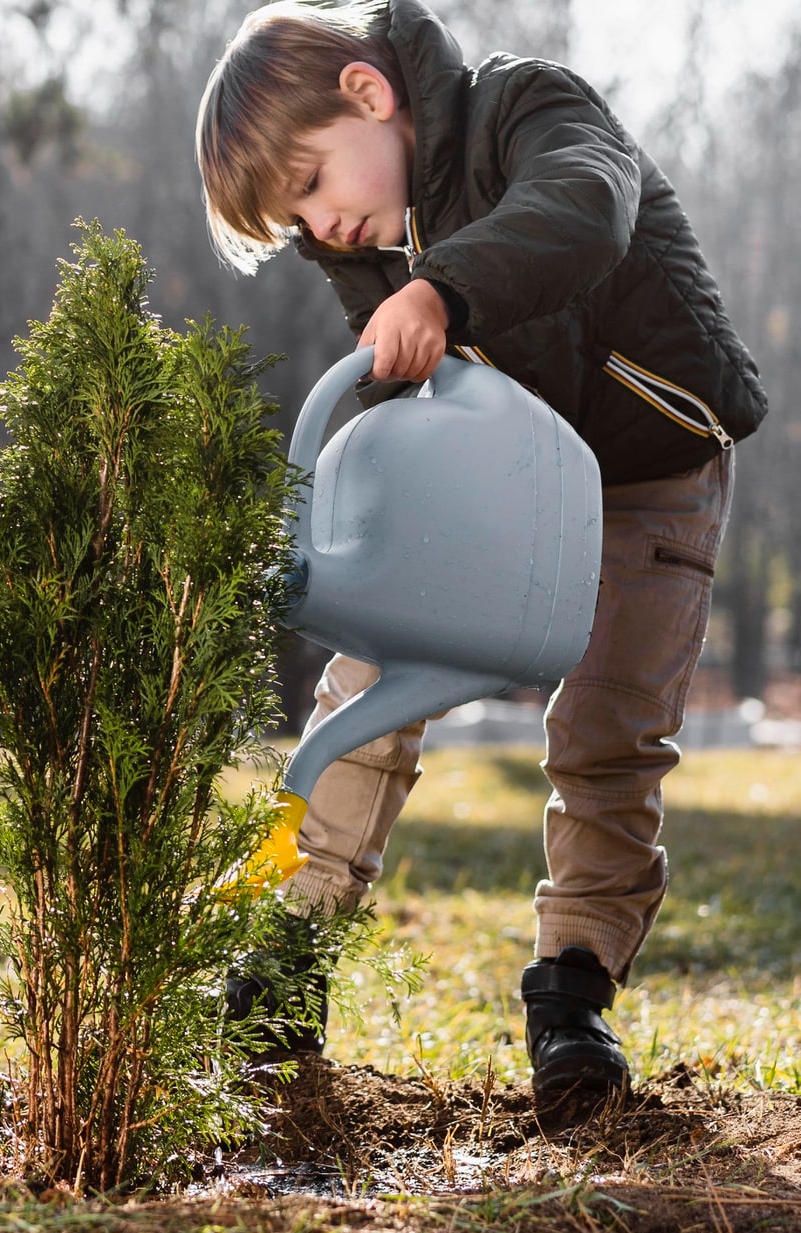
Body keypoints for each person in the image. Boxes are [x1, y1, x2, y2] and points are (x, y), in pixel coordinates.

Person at [195, 0, 766, 1117]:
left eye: (312, 183)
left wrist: (440, 288)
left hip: (648, 464)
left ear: (368, 95)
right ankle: (289, 950)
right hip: (504, 476)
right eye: (291, 217)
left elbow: (582, 210)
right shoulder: (361, 241)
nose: (318, 226)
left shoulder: (525, 106)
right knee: (371, 676)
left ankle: (571, 1000)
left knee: (607, 729)